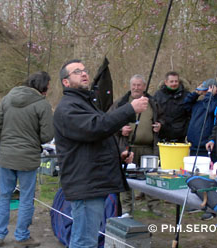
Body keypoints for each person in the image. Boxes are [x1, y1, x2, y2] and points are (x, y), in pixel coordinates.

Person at [54, 59, 148, 248]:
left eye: (84, 70)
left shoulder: (84, 102)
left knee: (83, 238)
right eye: (77, 72)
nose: (84, 73)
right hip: (85, 184)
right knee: (84, 240)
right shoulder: (68, 107)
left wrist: (117, 154)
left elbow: (97, 136)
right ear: (66, 82)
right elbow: (96, 127)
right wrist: (130, 109)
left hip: (93, 182)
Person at [0, 71, 54, 247]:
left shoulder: (7, 98)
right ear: (44, 87)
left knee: (4, 195)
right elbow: (48, 134)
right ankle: (22, 235)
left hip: (7, 155)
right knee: (26, 198)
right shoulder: (42, 105)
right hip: (28, 157)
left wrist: (5, 141)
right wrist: (34, 141)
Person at [110, 74, 163, 217]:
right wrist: (120, 130)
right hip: (128, 147)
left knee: (152, 177)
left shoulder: (152, 103)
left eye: (139, 85)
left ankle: (154, 206)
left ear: (144, 87)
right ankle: (127, 208)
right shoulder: (121, 103)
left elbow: (163, 118)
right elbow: (107, 121)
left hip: (149, 148)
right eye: (134, 85)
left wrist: (160, 125)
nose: (136, 88)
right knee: (126, 179)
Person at [183, 78, 217, 160]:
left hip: (208, 146)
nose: (204, 93)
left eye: (205, 91)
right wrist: (196, 94)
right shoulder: (199, 103)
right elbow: (185, 105)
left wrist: (209, 95)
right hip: (194, 146)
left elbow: (211, 108)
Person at [154, 71, 190, 142]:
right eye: (171, 81)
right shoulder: (158, 95)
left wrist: (185, 131)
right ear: (166, 82)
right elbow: (154, 113)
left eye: (176, 81)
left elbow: (190, 115)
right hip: (161, 136)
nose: (174, 83)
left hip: (180, 137)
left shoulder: (187, 96)